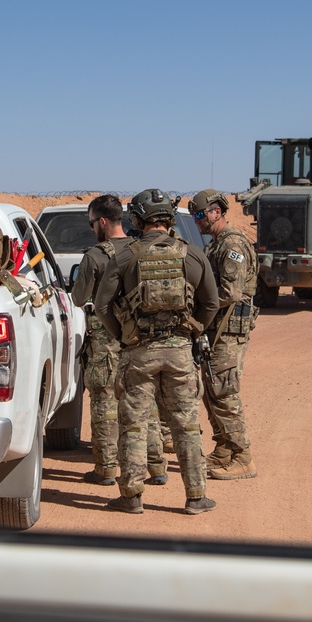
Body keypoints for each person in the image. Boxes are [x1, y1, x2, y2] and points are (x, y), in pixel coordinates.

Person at [95, 188, 219, 515]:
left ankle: (132, 497)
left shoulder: (125, 256)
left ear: (137, 219)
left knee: (134, 423)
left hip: (139, 352)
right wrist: (193, 331)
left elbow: (102, 305)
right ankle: (195, 497)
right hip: (179, 352)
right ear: (168, 218)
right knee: (186, 424)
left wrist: (124, 336)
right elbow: (211, 304)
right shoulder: (192, 254)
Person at [71, 195, 168, 487]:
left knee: (104, 405)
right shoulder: (143, 249)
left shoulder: (96, 256)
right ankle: (157, 467)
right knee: (145, 403)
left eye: (91, 223)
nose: (91, 229)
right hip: (141, 340)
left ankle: (106, 469)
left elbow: (78, 298)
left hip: (105, 342)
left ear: (102, 222)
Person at [188, 189, 259, 480]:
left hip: (229, 330)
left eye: (201, 215)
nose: (197, 221)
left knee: (224, 391)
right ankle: (225, 449)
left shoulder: (233, 245)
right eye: (194, 216)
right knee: (212, 391)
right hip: (218, 328)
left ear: (217, 211)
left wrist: (199, 304)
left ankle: (242, 456)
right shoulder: (216, 245)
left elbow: (230, 292)